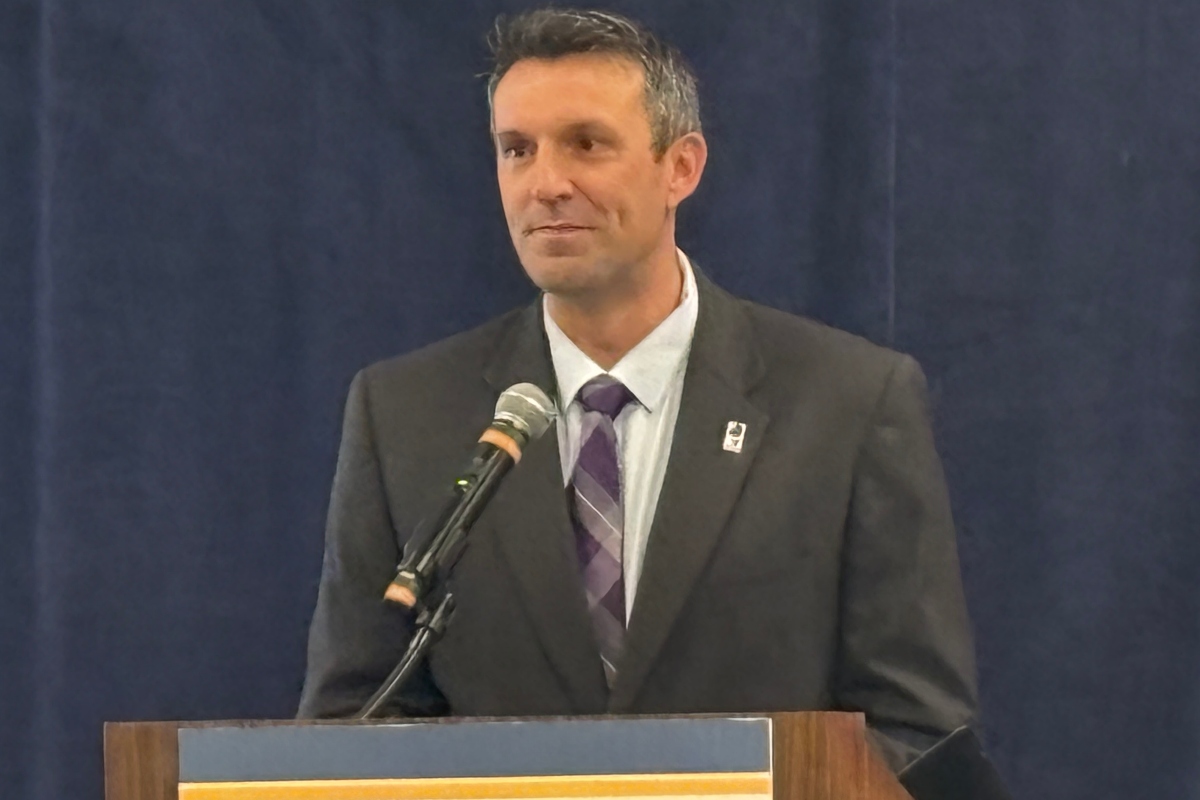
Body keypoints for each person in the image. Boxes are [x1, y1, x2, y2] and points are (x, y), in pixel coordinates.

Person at [298, 7, 978, 771]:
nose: (546, 183)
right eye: (516, 149)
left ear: (680, 167)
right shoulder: (403, 414)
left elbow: (919, 735)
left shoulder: (849, 403)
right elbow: (349, 730)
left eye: (586, 144)